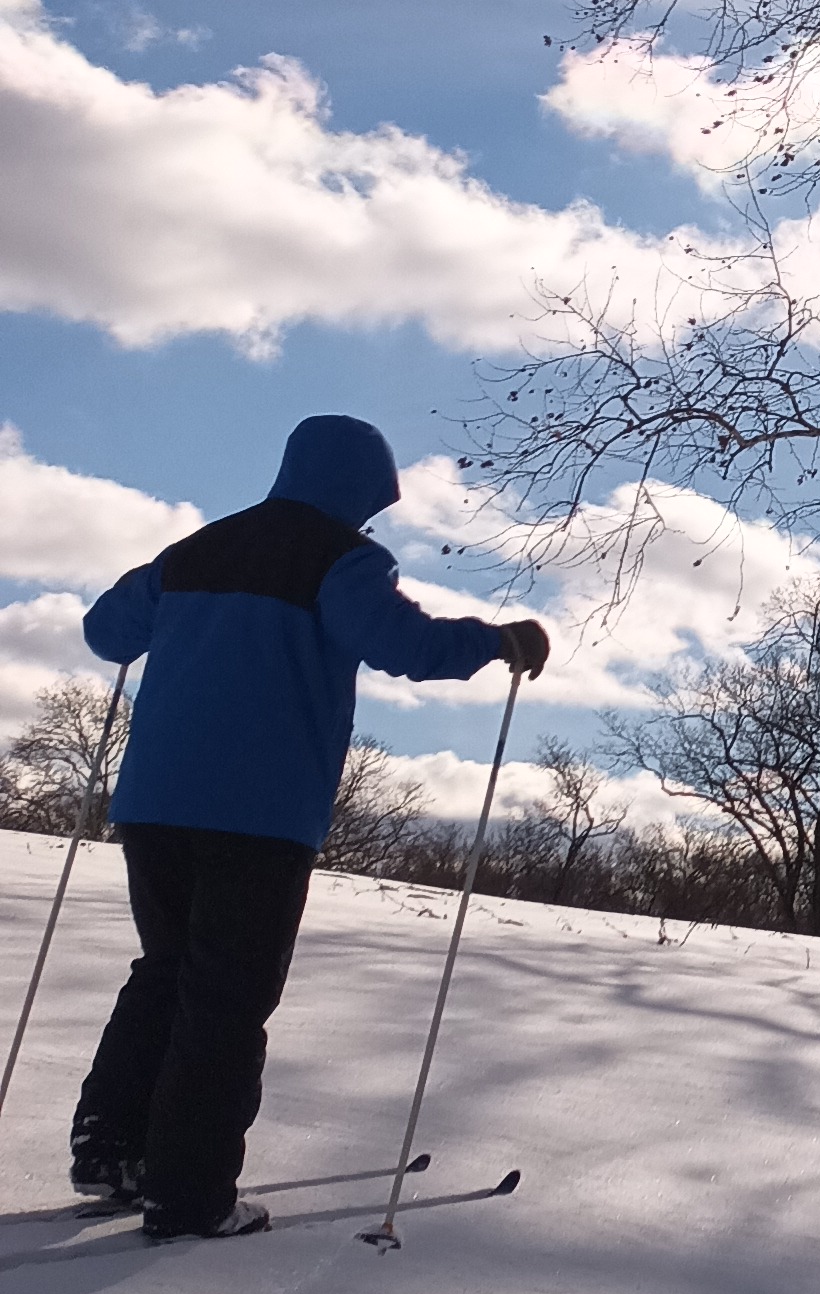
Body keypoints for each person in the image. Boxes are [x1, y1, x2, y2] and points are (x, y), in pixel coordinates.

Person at [67, 416, 547, 1243]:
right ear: (356, 489)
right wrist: (496, 640)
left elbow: (107, 631)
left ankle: (114, 1151)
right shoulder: (339, 557)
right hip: (259, 813)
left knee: (166, 972)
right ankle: (189, 1194)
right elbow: (397, 641)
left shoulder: (195, 551)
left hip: (153, 806)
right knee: (226, 995)